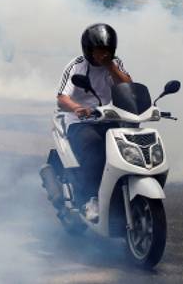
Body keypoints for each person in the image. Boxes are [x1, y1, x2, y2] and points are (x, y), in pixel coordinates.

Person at [56, 23, 132, 221]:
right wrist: (76, 108)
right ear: (88, 50)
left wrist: (110, 66)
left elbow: (128, 87)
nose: (102, 55)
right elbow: (62, 98)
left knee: (129, 147)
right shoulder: (76, 66)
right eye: (98, 51)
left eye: (106, 51)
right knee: (95, 148)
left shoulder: (115, 64)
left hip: (109, 117)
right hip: (81, 122)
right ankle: (91, 199)